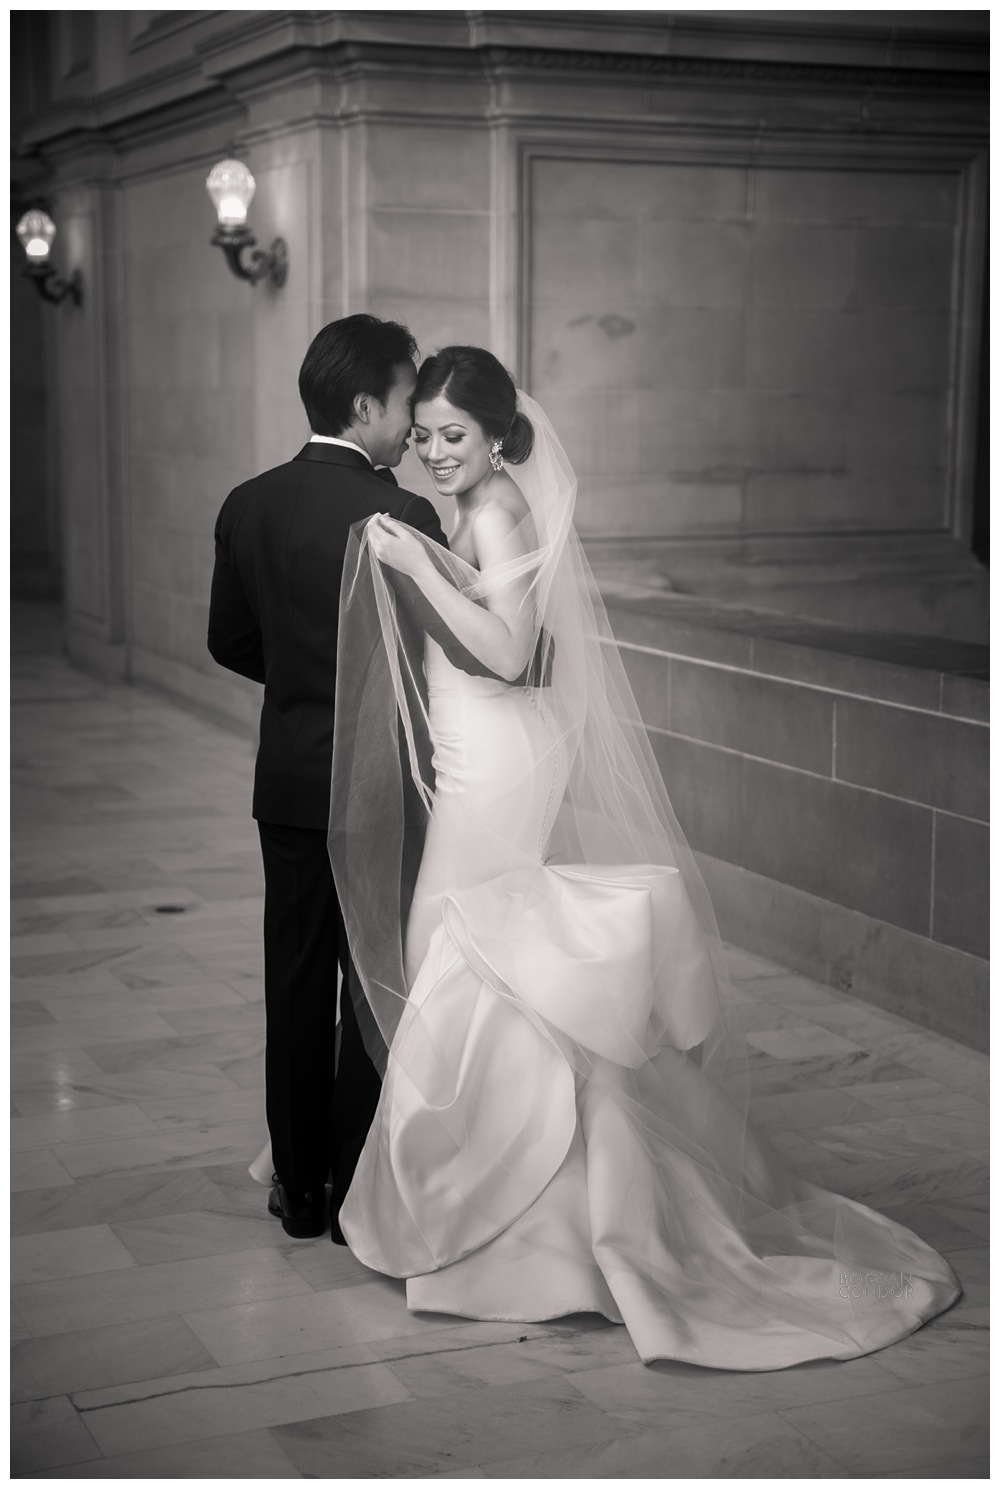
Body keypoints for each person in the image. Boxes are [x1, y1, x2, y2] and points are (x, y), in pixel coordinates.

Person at [328, 344, 962, 1368]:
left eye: (455, 435)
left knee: (460, 945)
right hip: (475, 748)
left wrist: (411, 569)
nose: (435, 451)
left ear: (498, 437)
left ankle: (505, 1213)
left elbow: (503, 650)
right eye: (426, 434)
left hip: (497, 761)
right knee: (482, 955)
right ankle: (535, 1199)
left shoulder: (497, 513)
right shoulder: (470, 509)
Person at [207, 314, 452, 1243]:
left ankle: (299, 1190)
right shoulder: (401, 515)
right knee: (374, 987)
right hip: (380, 787)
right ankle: (356, 1186)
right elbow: (438, 655)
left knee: (297, 982)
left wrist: (309, 686)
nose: (411, 428)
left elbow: (230, 641)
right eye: (403, 404)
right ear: (363, 404)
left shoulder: (249, 502)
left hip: (290, 782)